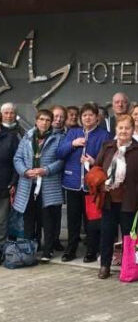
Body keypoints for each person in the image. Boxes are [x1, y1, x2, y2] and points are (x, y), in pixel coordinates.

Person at [95, 114, 138, 279]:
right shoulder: (108, 147)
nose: (123, 131)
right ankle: (105, 266)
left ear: (133, 130)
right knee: (107, 234)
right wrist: (101, 183)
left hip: (130, 201)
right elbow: (97, 168)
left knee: (129, 237)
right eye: (120, 128)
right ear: (115, 129)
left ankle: (129, 266)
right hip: (108, 200)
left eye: (127, 128)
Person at [57, 103, 110, 262]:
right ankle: (71, 250)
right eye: (84, 115)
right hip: (72, 182)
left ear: (97, 117)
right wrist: (73, 144)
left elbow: (108, 158)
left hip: (92, 185)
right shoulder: (73, 132)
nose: (87, 118)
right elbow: (59, 153)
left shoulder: (104, 135)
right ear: (81, 118)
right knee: (73, 220)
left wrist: (94, 161)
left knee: (91, 221)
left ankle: (91, 251)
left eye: (91, 115)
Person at [12, 109, 64, 262]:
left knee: (47, 219)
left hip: (47, 184)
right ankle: (29, 249)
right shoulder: (27, 137)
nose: (44, 122)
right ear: (36, 120)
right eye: (42, 119)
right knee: (29, 218)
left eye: (48, 120)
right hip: (28, 184)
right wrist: (25, 171)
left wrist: (46, 170)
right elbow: (17, 158)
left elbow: (61, 161)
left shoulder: (58, 138)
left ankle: (47, 251)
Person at [0, 116, 19, 250]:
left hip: (4, 186)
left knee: (2, 222)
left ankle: (1, 250)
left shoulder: (10, 138)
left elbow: (16, 161)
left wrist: (13, 182)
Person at [50, 105, 68, 252]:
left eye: (61, 116)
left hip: (56, 178)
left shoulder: (66, 135)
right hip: (39, 178)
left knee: (55, 212)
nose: (58, 119)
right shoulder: (38, 133)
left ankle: (54, 240)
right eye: (56, 116)